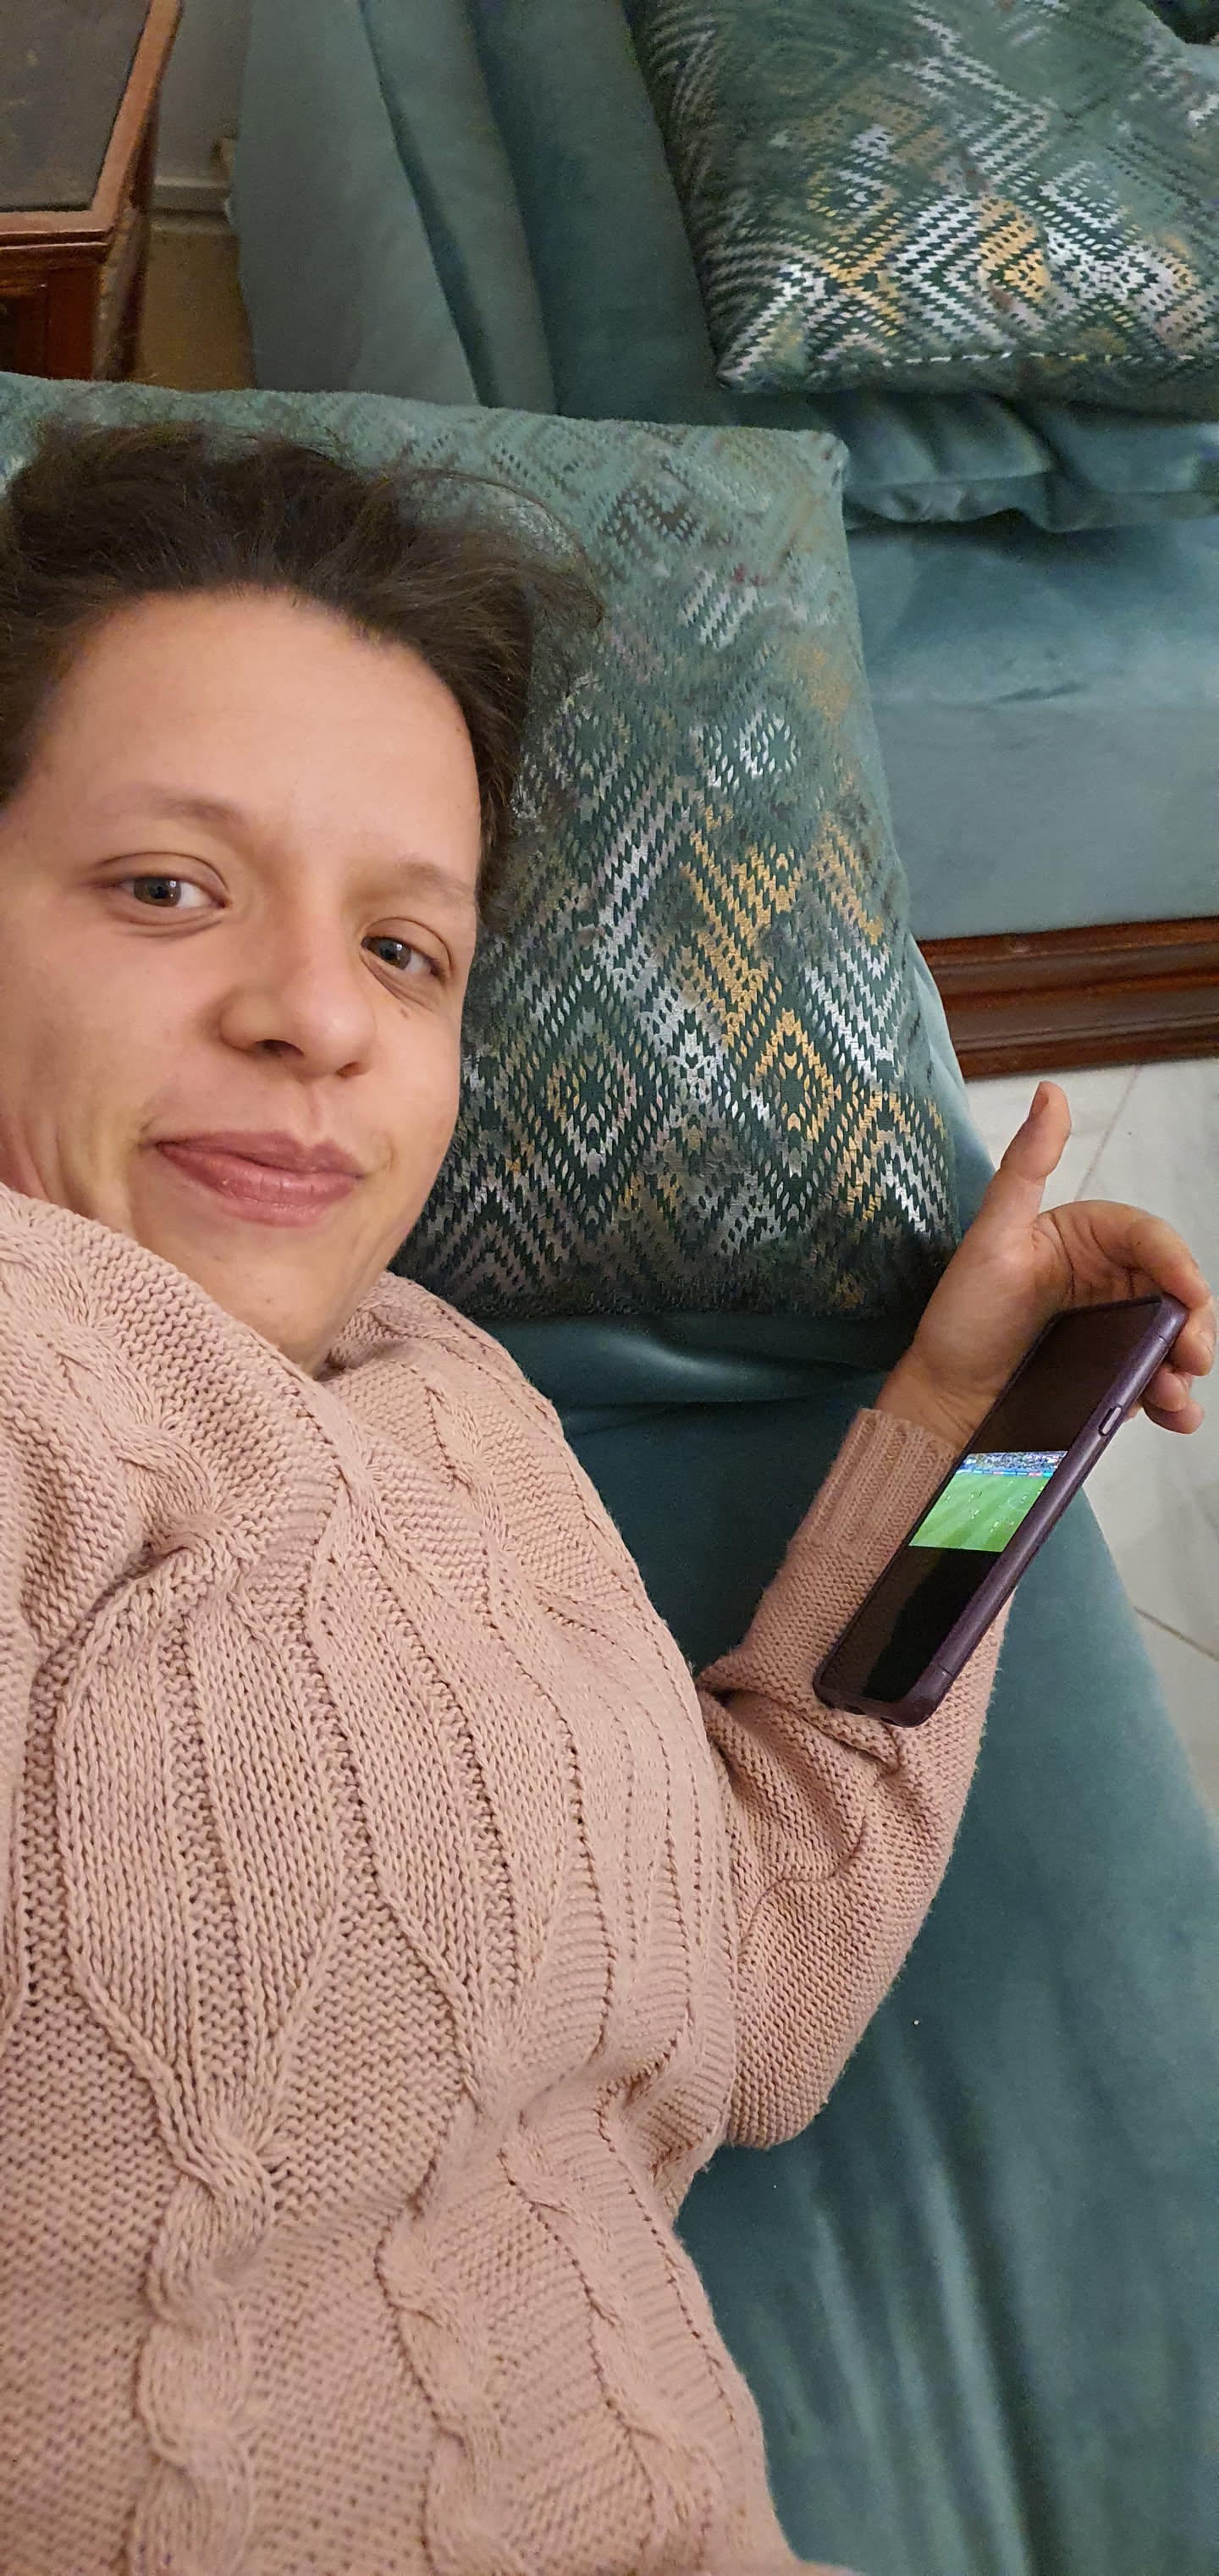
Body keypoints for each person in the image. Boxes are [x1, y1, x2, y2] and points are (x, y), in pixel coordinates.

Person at [0, 420, 1210, 2576]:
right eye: (169, 886)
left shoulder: (456, 1390)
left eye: (407, 949)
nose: (316, 1017)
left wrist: (977, 1418)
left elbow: (757, 1988)